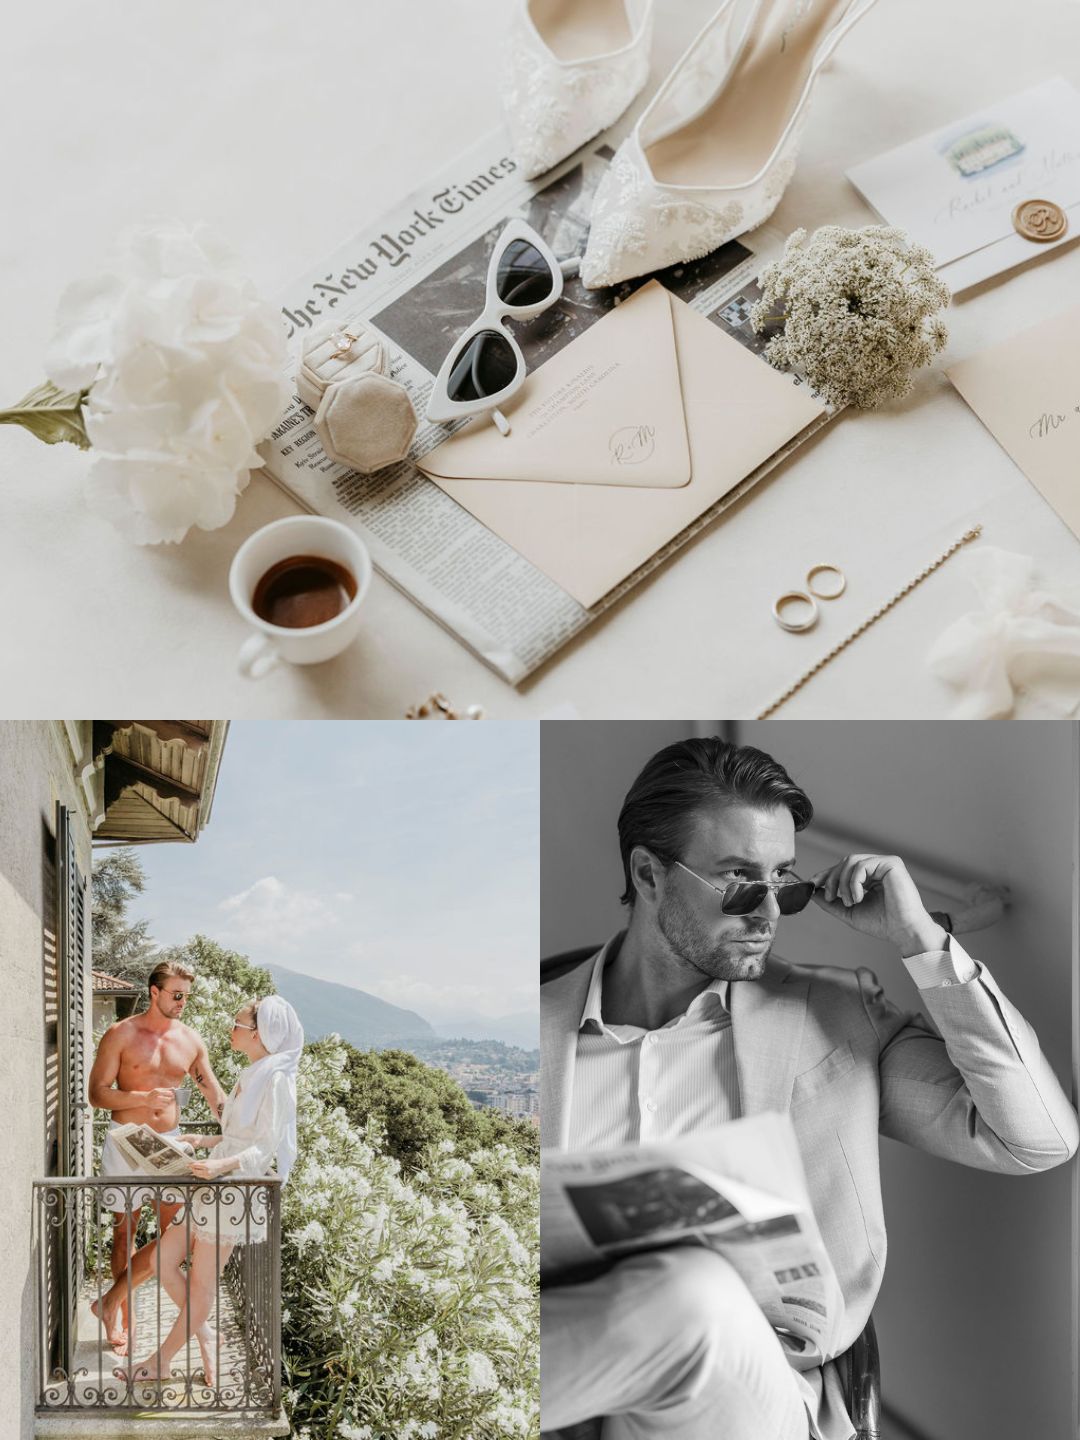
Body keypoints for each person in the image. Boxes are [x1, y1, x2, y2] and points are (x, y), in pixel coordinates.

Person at [540, 736, 1079, 1440]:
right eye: (739, 880)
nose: (766, 913)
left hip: (752, 1396)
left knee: (693, 1298)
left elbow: (1035, 1138)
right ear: (648, 875)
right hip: (559, 1385)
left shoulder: (834, 1020)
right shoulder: (513, 1030)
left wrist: (918, 939)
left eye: (784, 881)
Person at [101, 994, 303, 1388]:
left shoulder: (277, 1079)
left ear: (259, 1034)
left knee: (203, 1284)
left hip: (234, 1193)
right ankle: (207, 1335)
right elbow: (236, 1136)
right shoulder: (254, 1072)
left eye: (238, 1024)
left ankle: (161, 1360)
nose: (232, 1028)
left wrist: (219, 1164)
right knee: (162, 1262)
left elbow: (263, 1147)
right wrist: (201, 1141)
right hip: (213, 1188)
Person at [88, 960, 227, 1354]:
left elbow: (214, 1094)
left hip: (168, 1143)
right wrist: (141, 1098)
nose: (183, 1002)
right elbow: (97, 1094)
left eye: (186, 995)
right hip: (126, 1141)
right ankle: (125, 1321)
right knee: (124, 1232)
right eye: (177, 994)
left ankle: (112, 1301)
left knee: (174, 1239)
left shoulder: (191, 1041)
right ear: (155, 992)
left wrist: (239, 1136)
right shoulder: (120, 1034)